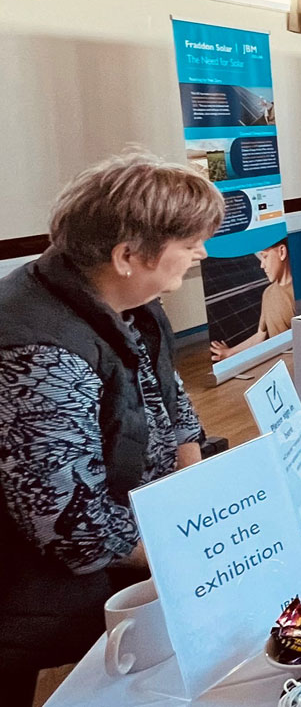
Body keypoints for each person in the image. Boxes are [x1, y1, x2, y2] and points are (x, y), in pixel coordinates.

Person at [0, 151, 223, 703]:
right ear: (128, 255)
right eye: (189, 241)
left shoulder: (131, 301)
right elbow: (71, 531)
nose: (202, 252)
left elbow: (174, 409)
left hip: (122, 526)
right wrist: (186, 547)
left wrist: (190, 496)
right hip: (37, 583)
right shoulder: (39, 353)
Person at [209, 239, 295, 361]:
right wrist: (229, 352)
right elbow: (261, 335)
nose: (261, 265)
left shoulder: (300, 294)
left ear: (282, 252)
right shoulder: (267, 294)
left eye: (265, 257)